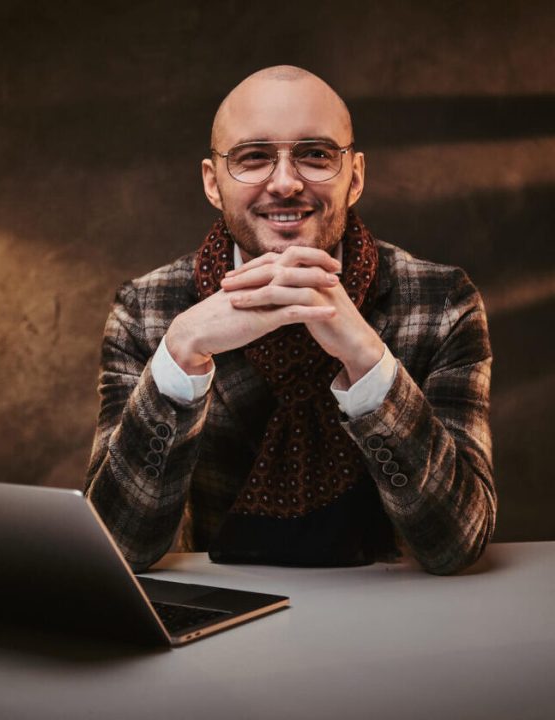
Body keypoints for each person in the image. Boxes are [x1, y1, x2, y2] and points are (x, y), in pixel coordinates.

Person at [85, 65, 496, 575]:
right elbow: (116, 546)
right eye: (254, 157)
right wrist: (180, 352)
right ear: (213, 184)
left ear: (356, 177)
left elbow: (459, 544)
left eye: (316, 155)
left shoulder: (441, 302)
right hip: (222, 623)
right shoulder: (145, 311)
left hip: (400, 617)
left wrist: (367, 362)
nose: (285, 183)